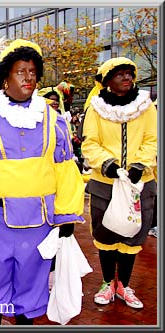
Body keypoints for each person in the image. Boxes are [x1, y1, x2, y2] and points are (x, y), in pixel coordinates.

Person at [0, 39, 85, 325]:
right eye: (20, 71)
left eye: (33, 71)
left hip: (39, 223)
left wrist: (66, 213)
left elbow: (64, 169)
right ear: (4, 79)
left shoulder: (53, 119)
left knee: (30, 293)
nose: (28, 77)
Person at [81, 57, 157, 309]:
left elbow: (152, 139)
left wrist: (140, 165)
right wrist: (107, 163)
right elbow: (90, 142)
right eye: (120, 74)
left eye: (129, 74)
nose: (127, 78)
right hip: (105, 184)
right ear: (107, 81)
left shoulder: (146, 107)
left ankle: (124, 284)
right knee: (106, 235)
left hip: (139, 184)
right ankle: (106, 283)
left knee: (132, 236)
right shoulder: (95, 108)